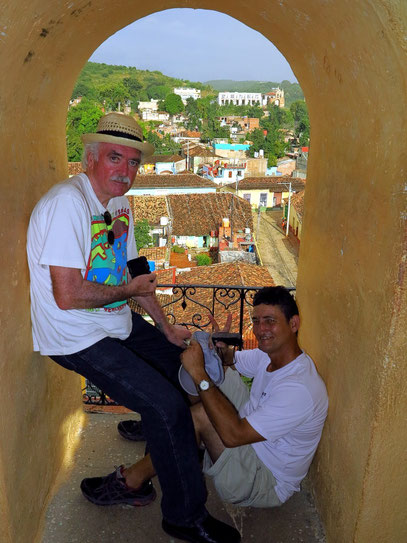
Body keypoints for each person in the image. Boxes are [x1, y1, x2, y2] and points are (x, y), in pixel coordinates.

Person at [26, 112, 241, 543]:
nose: (125, 172)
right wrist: (128, 289)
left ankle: (156, 432)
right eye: (114, 158)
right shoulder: (69, 202)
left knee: (182, 371)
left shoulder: (120, 204)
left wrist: (165, 327)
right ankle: (183, 517)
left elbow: (136, 273)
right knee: (169, 407)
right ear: (90, 160)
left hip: (113, 323)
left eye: (133, 163)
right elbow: (67, 294)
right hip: (73, 335)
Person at [110, 286, 328, 510]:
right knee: (205, 368)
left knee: (199, 411)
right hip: (254, 438)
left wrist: (200, 374)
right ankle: (172, 431)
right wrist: (218, 351)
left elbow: (234, 436)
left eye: (270, 321)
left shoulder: (299, 388)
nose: (261, 330)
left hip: (263, 479)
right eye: (256, 321)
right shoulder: (270, 355)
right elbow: (231, 360)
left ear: (293, 324)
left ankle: (131, 481)